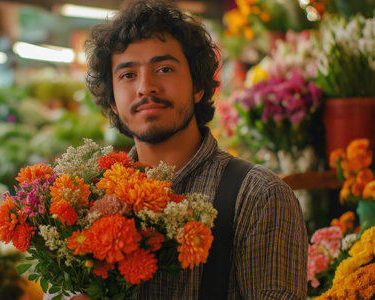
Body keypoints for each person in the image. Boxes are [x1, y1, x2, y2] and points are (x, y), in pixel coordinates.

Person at [69, 0, 308, 299]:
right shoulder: (89, 200)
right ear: (114, 102)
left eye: (164, 68)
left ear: (198, 86)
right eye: (128, 75)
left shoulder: (258, 196)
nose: (145, 87)